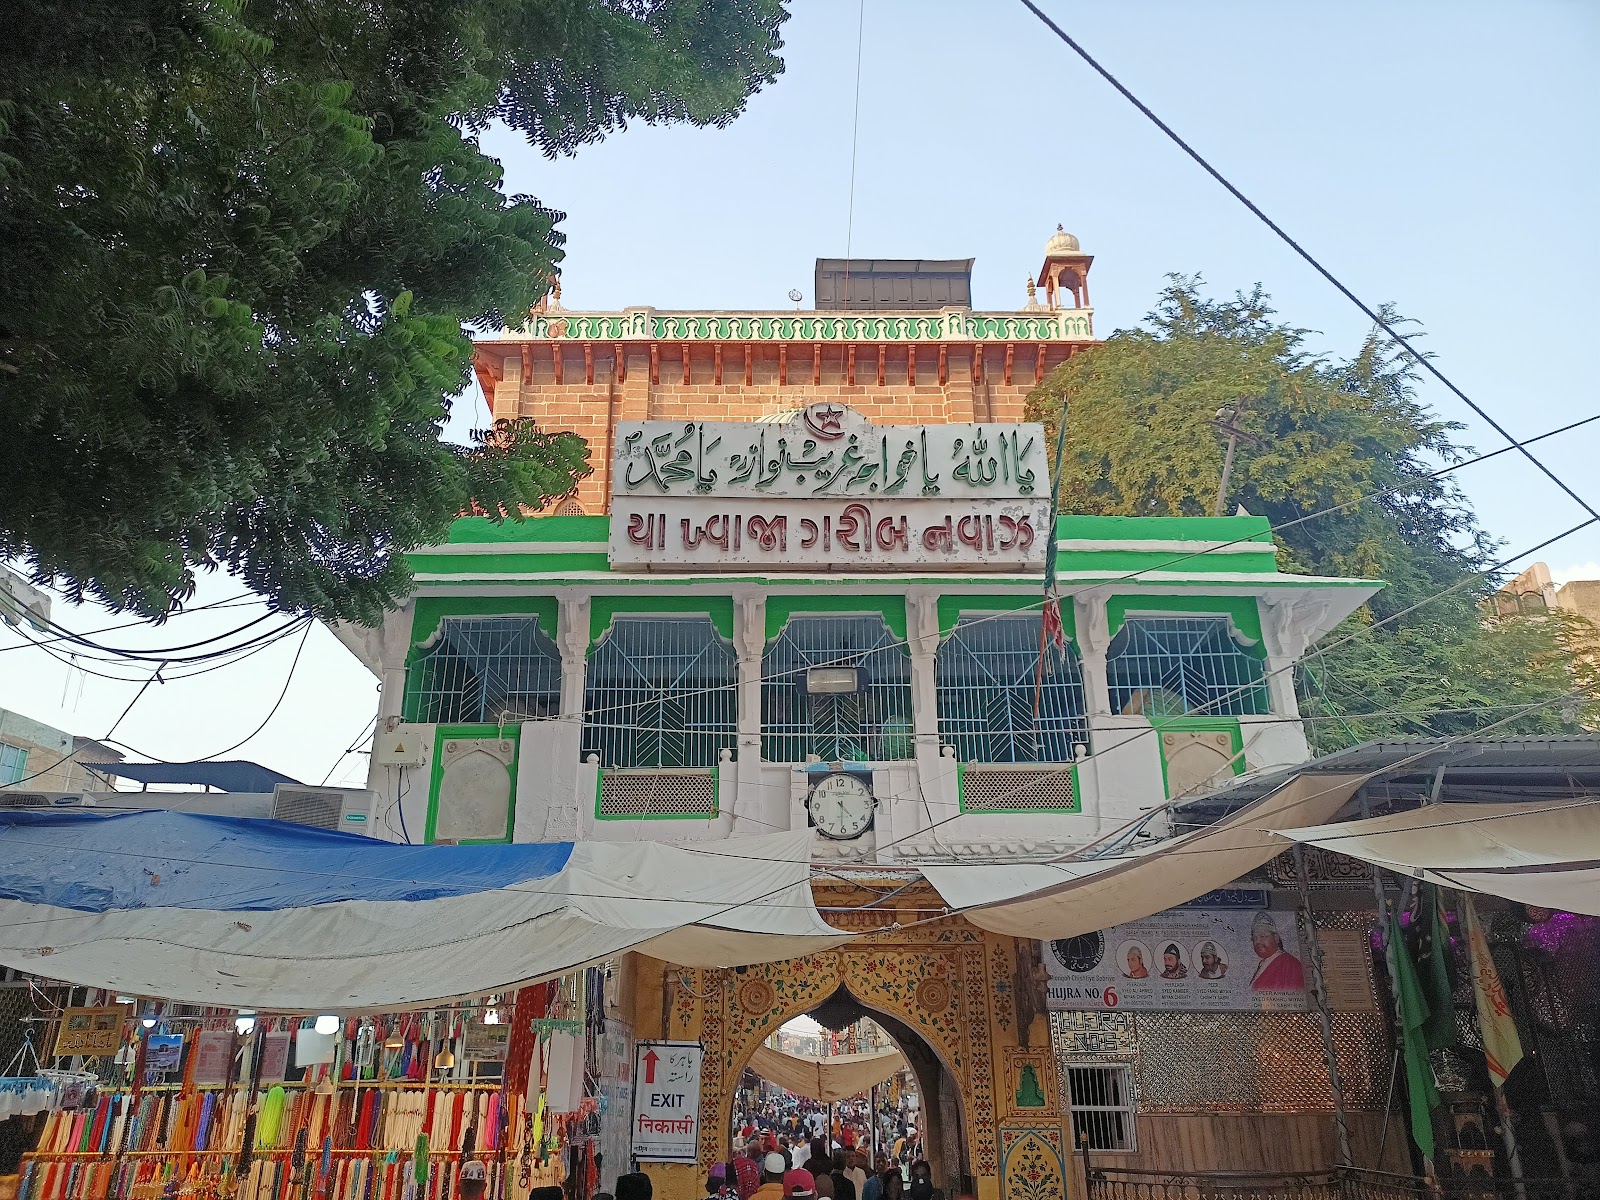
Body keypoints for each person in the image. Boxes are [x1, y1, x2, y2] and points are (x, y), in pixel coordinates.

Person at [1248, 912, 1305, 991]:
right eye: (1254, 938)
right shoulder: (1263, 963)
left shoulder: (1291, 965)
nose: (1258, 942)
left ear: (1276, 938)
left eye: (1263, 936)